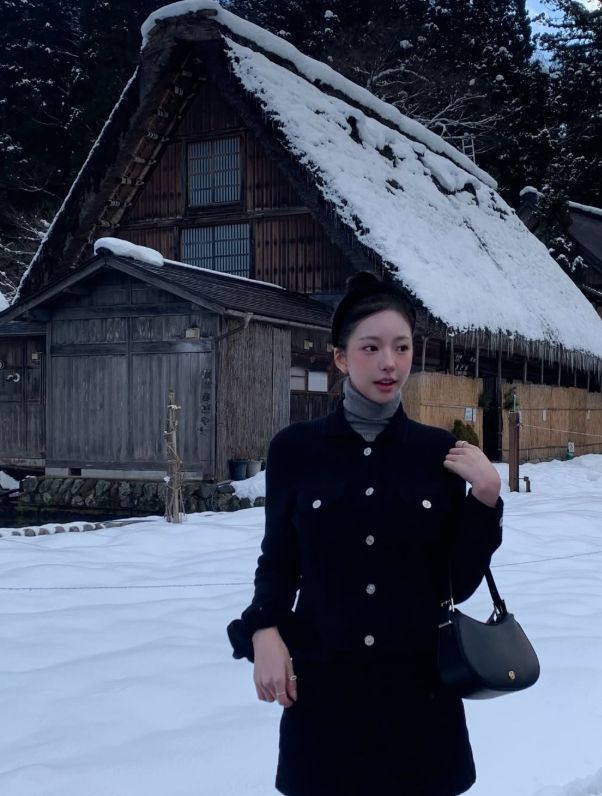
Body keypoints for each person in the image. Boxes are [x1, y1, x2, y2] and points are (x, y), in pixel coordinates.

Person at [227, 271, 503, 796]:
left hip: (419, 698)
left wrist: (485, 499)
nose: (389, 362)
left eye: (402, 347)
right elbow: (279, 561)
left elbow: (457, 584)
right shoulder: (295, 449)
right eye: (371, 347)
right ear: (339, 357)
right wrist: (263, 631)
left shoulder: (438, 452)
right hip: (325, 692)